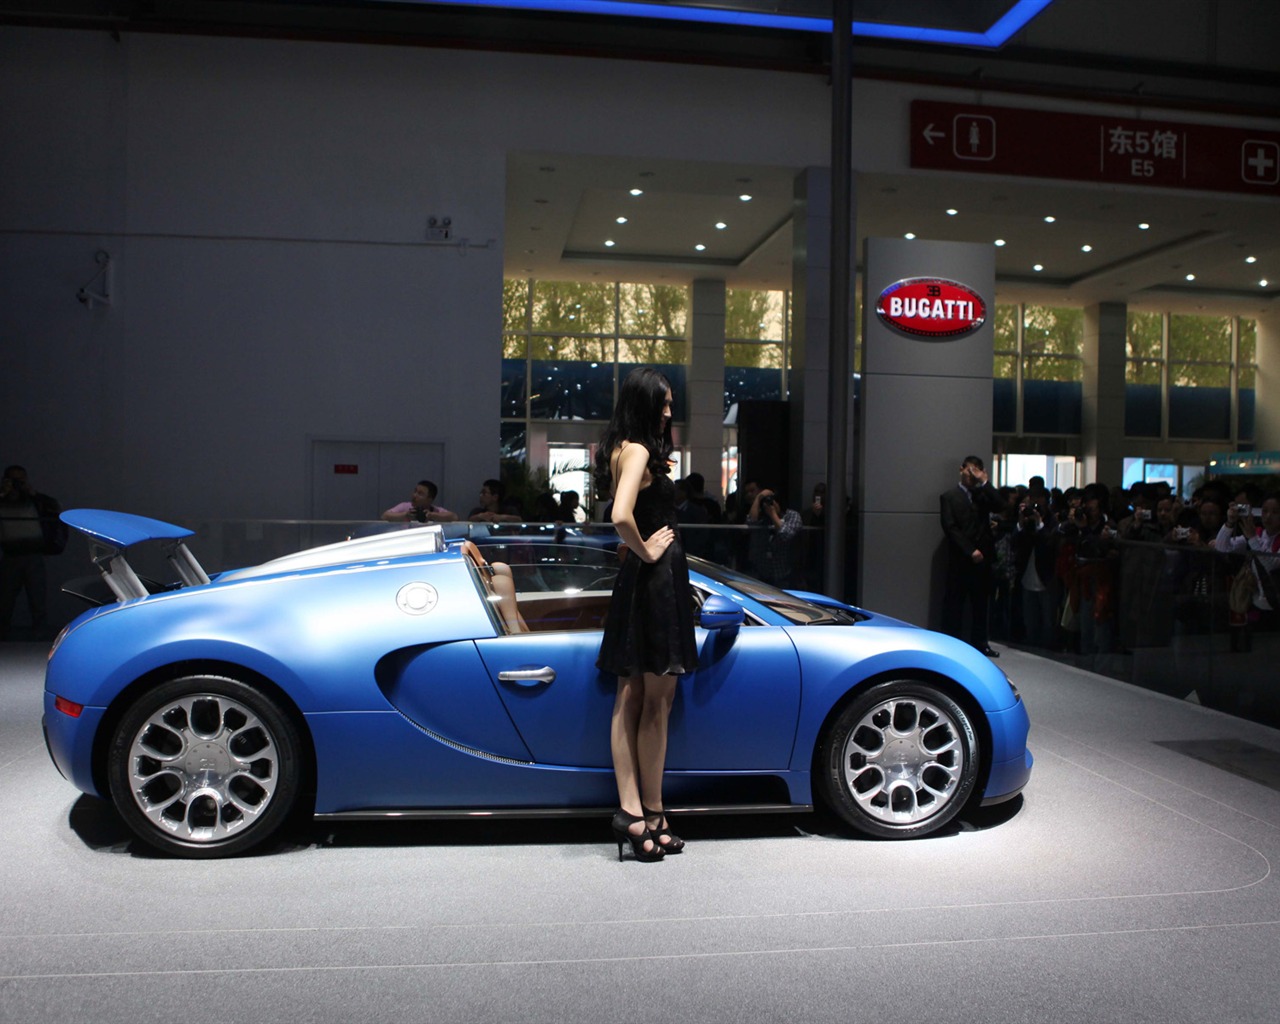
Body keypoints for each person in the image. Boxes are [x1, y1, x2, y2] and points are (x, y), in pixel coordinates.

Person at [594, 367, 698, 862]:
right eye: (663, 403)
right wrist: (647, 551)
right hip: (654, 582)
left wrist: (637, 553)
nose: (669, 411)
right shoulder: (636, 450)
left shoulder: (623, 449)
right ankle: (645, 814)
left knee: (632, 697)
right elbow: (620, 515)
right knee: (653, 701)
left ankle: (638, 814)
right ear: (644, 404)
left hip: (643, 582)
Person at [939, 455, 1003, 657]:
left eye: (976, 470)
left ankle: (980, 643)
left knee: (980, 605)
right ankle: (951, 645)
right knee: (954, 604)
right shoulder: (949, 496)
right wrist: (969, 550)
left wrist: (984, 482)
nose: (971, 474)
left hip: (983, 559)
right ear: (961, 469)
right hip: (960, 559)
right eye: (969, 470)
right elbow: (950, 528)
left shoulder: (982, 495)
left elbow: (1001, 506)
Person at [0, 465, 64, 641]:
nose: (17, 484)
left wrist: (32, 493)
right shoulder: (2, 500)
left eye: (21, 480)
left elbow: (54, 506)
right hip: (10, 555)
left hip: (33, 555)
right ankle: (3, 632)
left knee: (37, 597)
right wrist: (4, 493)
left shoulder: (35, 501)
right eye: (13, 480)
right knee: (5, 598)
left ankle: (40, 631)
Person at [746, 486, 802, 587]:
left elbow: (786, 534)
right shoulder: (763, 516)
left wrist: (773, 515)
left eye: (772, 502)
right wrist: (759, 497)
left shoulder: (792, 516)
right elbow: (751, 522)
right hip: (763, 575)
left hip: (784, 575)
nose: (769, 505)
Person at [381, 479, 457, 524]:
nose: (414, 495)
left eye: (420, 493)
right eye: (415, 491)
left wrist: (432, 515)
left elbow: (454, 517)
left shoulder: (435, 510)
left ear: (430, 499)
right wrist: (405, 515)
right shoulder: (405, 506)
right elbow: (384, 516)